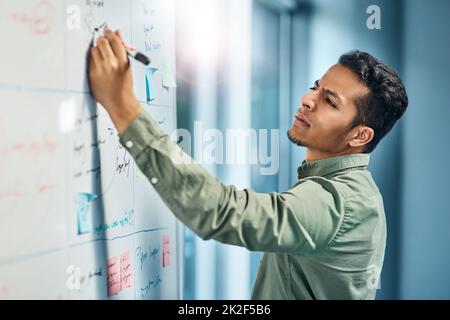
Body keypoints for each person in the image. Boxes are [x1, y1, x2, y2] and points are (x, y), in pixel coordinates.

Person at [88, 29, 408, 299]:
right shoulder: (358, 192)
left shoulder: (337, 203)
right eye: (316, 87)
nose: (307, 100)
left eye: (330, 101)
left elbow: (224, 212)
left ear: (359, 135)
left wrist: (123, 106)